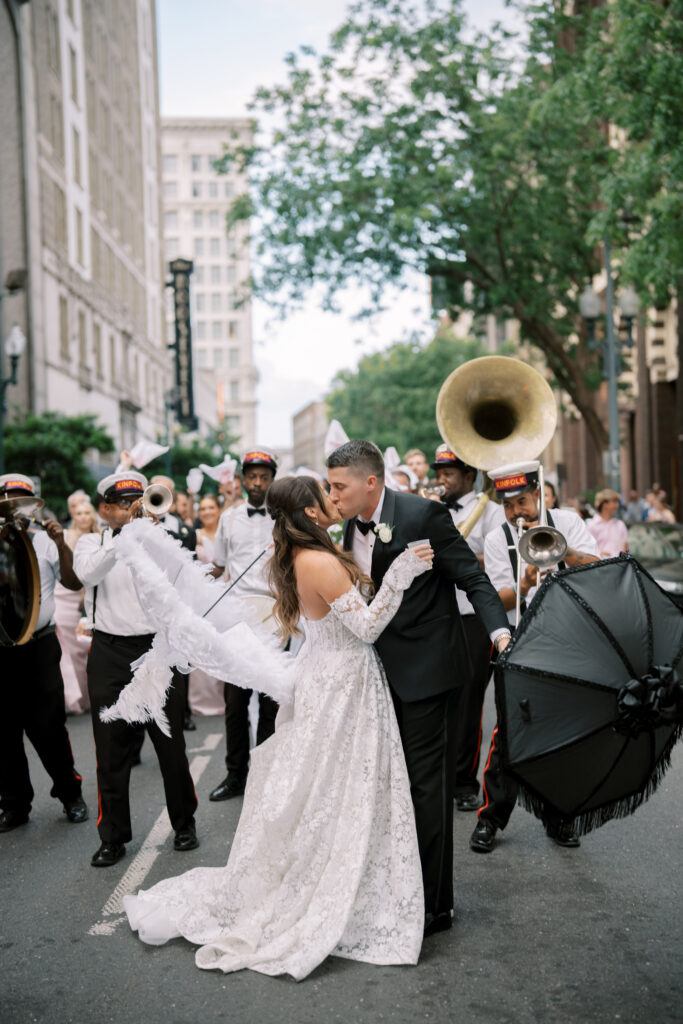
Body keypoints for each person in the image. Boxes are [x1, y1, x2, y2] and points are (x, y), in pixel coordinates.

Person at [123, 475, 434, 977]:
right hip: (342, 680)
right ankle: (324, 886)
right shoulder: (319, 560)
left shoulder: (306, 554)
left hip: (327, 674)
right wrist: (400, 573)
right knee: (335, 789)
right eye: (324, 494)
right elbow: (369, 627)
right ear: (309, 512)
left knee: (324, 789)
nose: (334, 499)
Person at [328, 440, 511, 935]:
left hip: (428, 672)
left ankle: (433, 906)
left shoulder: (422, 514)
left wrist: (499, 631)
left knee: (425, 787)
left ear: (371, 482)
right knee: (384, 784)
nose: (332, 495)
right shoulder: (342, 525)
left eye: (339, 486)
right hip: (371, 673)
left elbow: (473, 578)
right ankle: (391, 886)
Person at [470, 460, 600, 855]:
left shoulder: (568, 520)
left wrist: (563, 550)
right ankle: (491, 818)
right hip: (518, 640)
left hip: (567, 638)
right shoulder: (497, 540)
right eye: (508, 506)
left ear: (539, 494)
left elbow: (596, 569)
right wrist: (522, 584)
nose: (516, 513)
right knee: (509, 732)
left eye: (522, 502)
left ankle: (559, 816)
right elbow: (496, 601)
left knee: (563, 731)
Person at [73, 470, 199, 867]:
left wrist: (151, 534)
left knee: (170, 745)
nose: (131, 510)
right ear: (106, 509)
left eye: (136, 502)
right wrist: (125, 538)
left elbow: (184, 575)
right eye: (123, 504)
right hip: (109, 651)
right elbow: (86, 573)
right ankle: (112, 837)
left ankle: (184, 825)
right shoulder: (93, 541)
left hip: (157, 648)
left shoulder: (158, 538)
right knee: (110, 751)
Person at [0, 474, 89, 832]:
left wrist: (61, 543)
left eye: (21, 502)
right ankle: (14, 804)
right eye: (9, 503)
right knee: (3, 732)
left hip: (39, 647)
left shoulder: (45, 541)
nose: (15, 510)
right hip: (2, 652)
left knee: (49, 726)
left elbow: (73, 582)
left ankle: (70, 794)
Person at [431, 444, 505, 812]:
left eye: (449, 474)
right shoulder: (431, 509)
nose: (441, 479)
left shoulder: (491, 512)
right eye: (439, 473)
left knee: (468, 699)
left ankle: (463, 780)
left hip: (474, 614)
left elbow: (497, 559)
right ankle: (437, 775)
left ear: (469, 476)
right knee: (437, 695)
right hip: (437, 613)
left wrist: (453, 552)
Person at [207, 450, 280, 801]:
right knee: (235, 704)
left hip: (274, 620)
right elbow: (218, 567)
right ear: (242, 479)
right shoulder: (229, 519)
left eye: (263, 477)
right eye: (251, 476)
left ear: (272, 479)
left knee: (270, 703)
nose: (256, 483)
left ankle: (267, 777)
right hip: (237, 622)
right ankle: (236, 775)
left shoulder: (284, 519)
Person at [55, 499, 99, 714]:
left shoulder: (99, 537)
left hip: (88, 597)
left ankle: (89, 696)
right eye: (78, 513)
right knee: (68, 652)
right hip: (64, 598)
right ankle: (72, 698)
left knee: (86, 652)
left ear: (92, 515)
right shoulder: (65, 537)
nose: (82, 517)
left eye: (86, 513)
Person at [188, 494, 225, 716]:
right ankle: (201, 700)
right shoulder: (195, 536)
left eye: (211, 507)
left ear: (218, 510)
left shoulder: (224, 533)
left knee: (222, 645)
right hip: (200, 595)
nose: (207, 512)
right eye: (203, 508)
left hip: (224, 591)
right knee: (201, 644)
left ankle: (223, 697)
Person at [587, 488, 629, 557]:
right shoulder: (591, 526)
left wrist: (626, 549)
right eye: (614, 502)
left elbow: (626, 550)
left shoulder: (620, 524)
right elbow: (587, 551)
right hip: (601, 566)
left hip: (620, 565)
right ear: (605, 504)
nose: (617, 505)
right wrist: (599, 554)